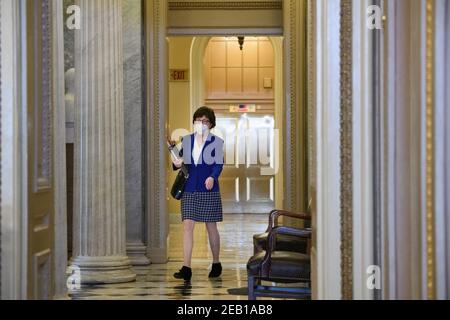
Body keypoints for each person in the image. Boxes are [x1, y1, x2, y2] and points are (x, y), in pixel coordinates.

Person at [172, 106, 225, 282]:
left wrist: (212, 177)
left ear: (211, 124)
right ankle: (186, 267)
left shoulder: (216, 142)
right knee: (187, 226)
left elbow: (218, 164)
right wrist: (177, 163)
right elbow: (178, 162)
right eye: (197, 120)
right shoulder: (186, 140)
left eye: (204, 121)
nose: (200, 124)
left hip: (208, 189)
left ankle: (216, 262)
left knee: (211, 227)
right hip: (189, 188)